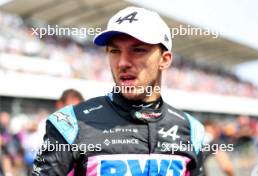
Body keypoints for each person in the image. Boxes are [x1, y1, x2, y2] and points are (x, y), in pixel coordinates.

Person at [32, 6, 205, 176]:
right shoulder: (69, 123)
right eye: (114, 50)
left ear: (164, 59)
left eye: (137, 50)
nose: (122, 62)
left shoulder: (191, 130)